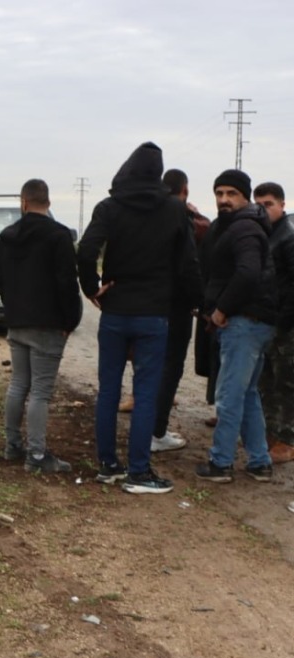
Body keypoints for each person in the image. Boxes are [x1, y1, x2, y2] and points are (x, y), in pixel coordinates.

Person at [77, 142, 201, 494]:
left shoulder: (110, 207)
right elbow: (189, 265)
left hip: (115, 310)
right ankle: (140, 472)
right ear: (159, 174)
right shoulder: (175, 211)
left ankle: (108, 466)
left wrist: (91, 289)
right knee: (146, 393)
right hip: (154, 314)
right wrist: (192, 302)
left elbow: (86, 251)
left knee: (109, 390)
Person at [0, 178, 82, 473]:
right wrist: (70, 321)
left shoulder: (6, 237)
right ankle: (36, 456)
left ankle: (12, 446)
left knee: (18, 384)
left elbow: (0, 282)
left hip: (17, 323)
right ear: (48, 202)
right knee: (41, 392)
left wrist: (14, 309)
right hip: (48, 326)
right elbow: (68, 284)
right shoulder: (58, 237)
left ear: (23, 202)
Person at [195, 170, 277, 482]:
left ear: (245, 196)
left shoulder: (243, 227)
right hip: (254, 322)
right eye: (219, 193)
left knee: (229, 395)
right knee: (247, 395)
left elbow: (247, 273)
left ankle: (221, 464)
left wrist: (221, 310)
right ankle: (259, 462)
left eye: (231, 193)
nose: (224, 200)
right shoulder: (243, 225)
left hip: (243, 322)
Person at [151, 169, 210, 453]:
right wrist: (200, 301)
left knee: (150, 368)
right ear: (184, 190)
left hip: (148, 304)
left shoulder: (147, 213)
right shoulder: (184, 218)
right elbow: (189, 264)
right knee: (171, 367)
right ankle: (156, 432)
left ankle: (146, 428)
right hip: (176, 306)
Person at [253, 182, 294, 464]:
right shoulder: (265, 233)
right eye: (259, 204)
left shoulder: (288, 237)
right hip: (268, 318)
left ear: (282, 204)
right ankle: (269, 433)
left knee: (286, 382)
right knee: (265, 380)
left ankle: (287, 440)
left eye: (268, 204)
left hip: (286, 323)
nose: (263, 210)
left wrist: (285, 321)